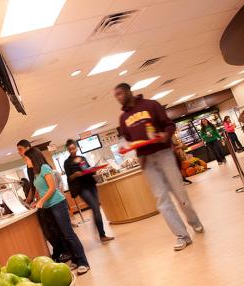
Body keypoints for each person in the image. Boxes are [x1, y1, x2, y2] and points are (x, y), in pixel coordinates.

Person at [114, 83, 204, 251]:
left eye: (120, 93)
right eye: (115, 96)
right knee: (161, 199)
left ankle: (194, 222)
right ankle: (181, 236)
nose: (118, 97)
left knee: (180, 193)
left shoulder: (151, 105)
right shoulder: (123, 118)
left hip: (164, 154)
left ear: (128, 91)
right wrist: (124, 147)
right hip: (145, 160)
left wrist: (165, 135)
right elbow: (126, 139)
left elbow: (169, 125)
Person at [24, 148, 90, 274]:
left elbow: (52, 188)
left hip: (57, 204)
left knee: (68, 233)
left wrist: (41, 201)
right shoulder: (36, 172)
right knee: (61, 235)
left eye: (26, 158)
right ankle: (75, 261)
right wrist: (35, 201)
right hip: (48, 207)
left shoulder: (44, 168)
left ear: (33, 158)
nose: (25, 161)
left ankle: (83, 262)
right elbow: (39, 189)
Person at [17, 139, 70, 262]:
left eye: (20, 149)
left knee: (57, 229)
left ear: (28, 148)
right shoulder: (30, 166)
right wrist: (31, 201)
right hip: (45, 202)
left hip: (54, 202)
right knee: (51, 229)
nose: (19, 153)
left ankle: (65, 252)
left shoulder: (42, 167)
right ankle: (59, 252)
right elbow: (35, 185)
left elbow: (46, 187)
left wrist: (37, 200)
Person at [64, 139, 114, 242]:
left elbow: (87, 170)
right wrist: (75, 175)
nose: (72, 151)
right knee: (95, 207)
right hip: (81, 188)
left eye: (73, 148)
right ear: (68, 150)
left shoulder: (83, 158)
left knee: (96, 208)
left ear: (76, 148)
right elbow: (69, 178)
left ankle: (99, 232)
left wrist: (93, 170)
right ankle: (102, 235)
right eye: (70, 149)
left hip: (91, 184)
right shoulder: (67, 162)